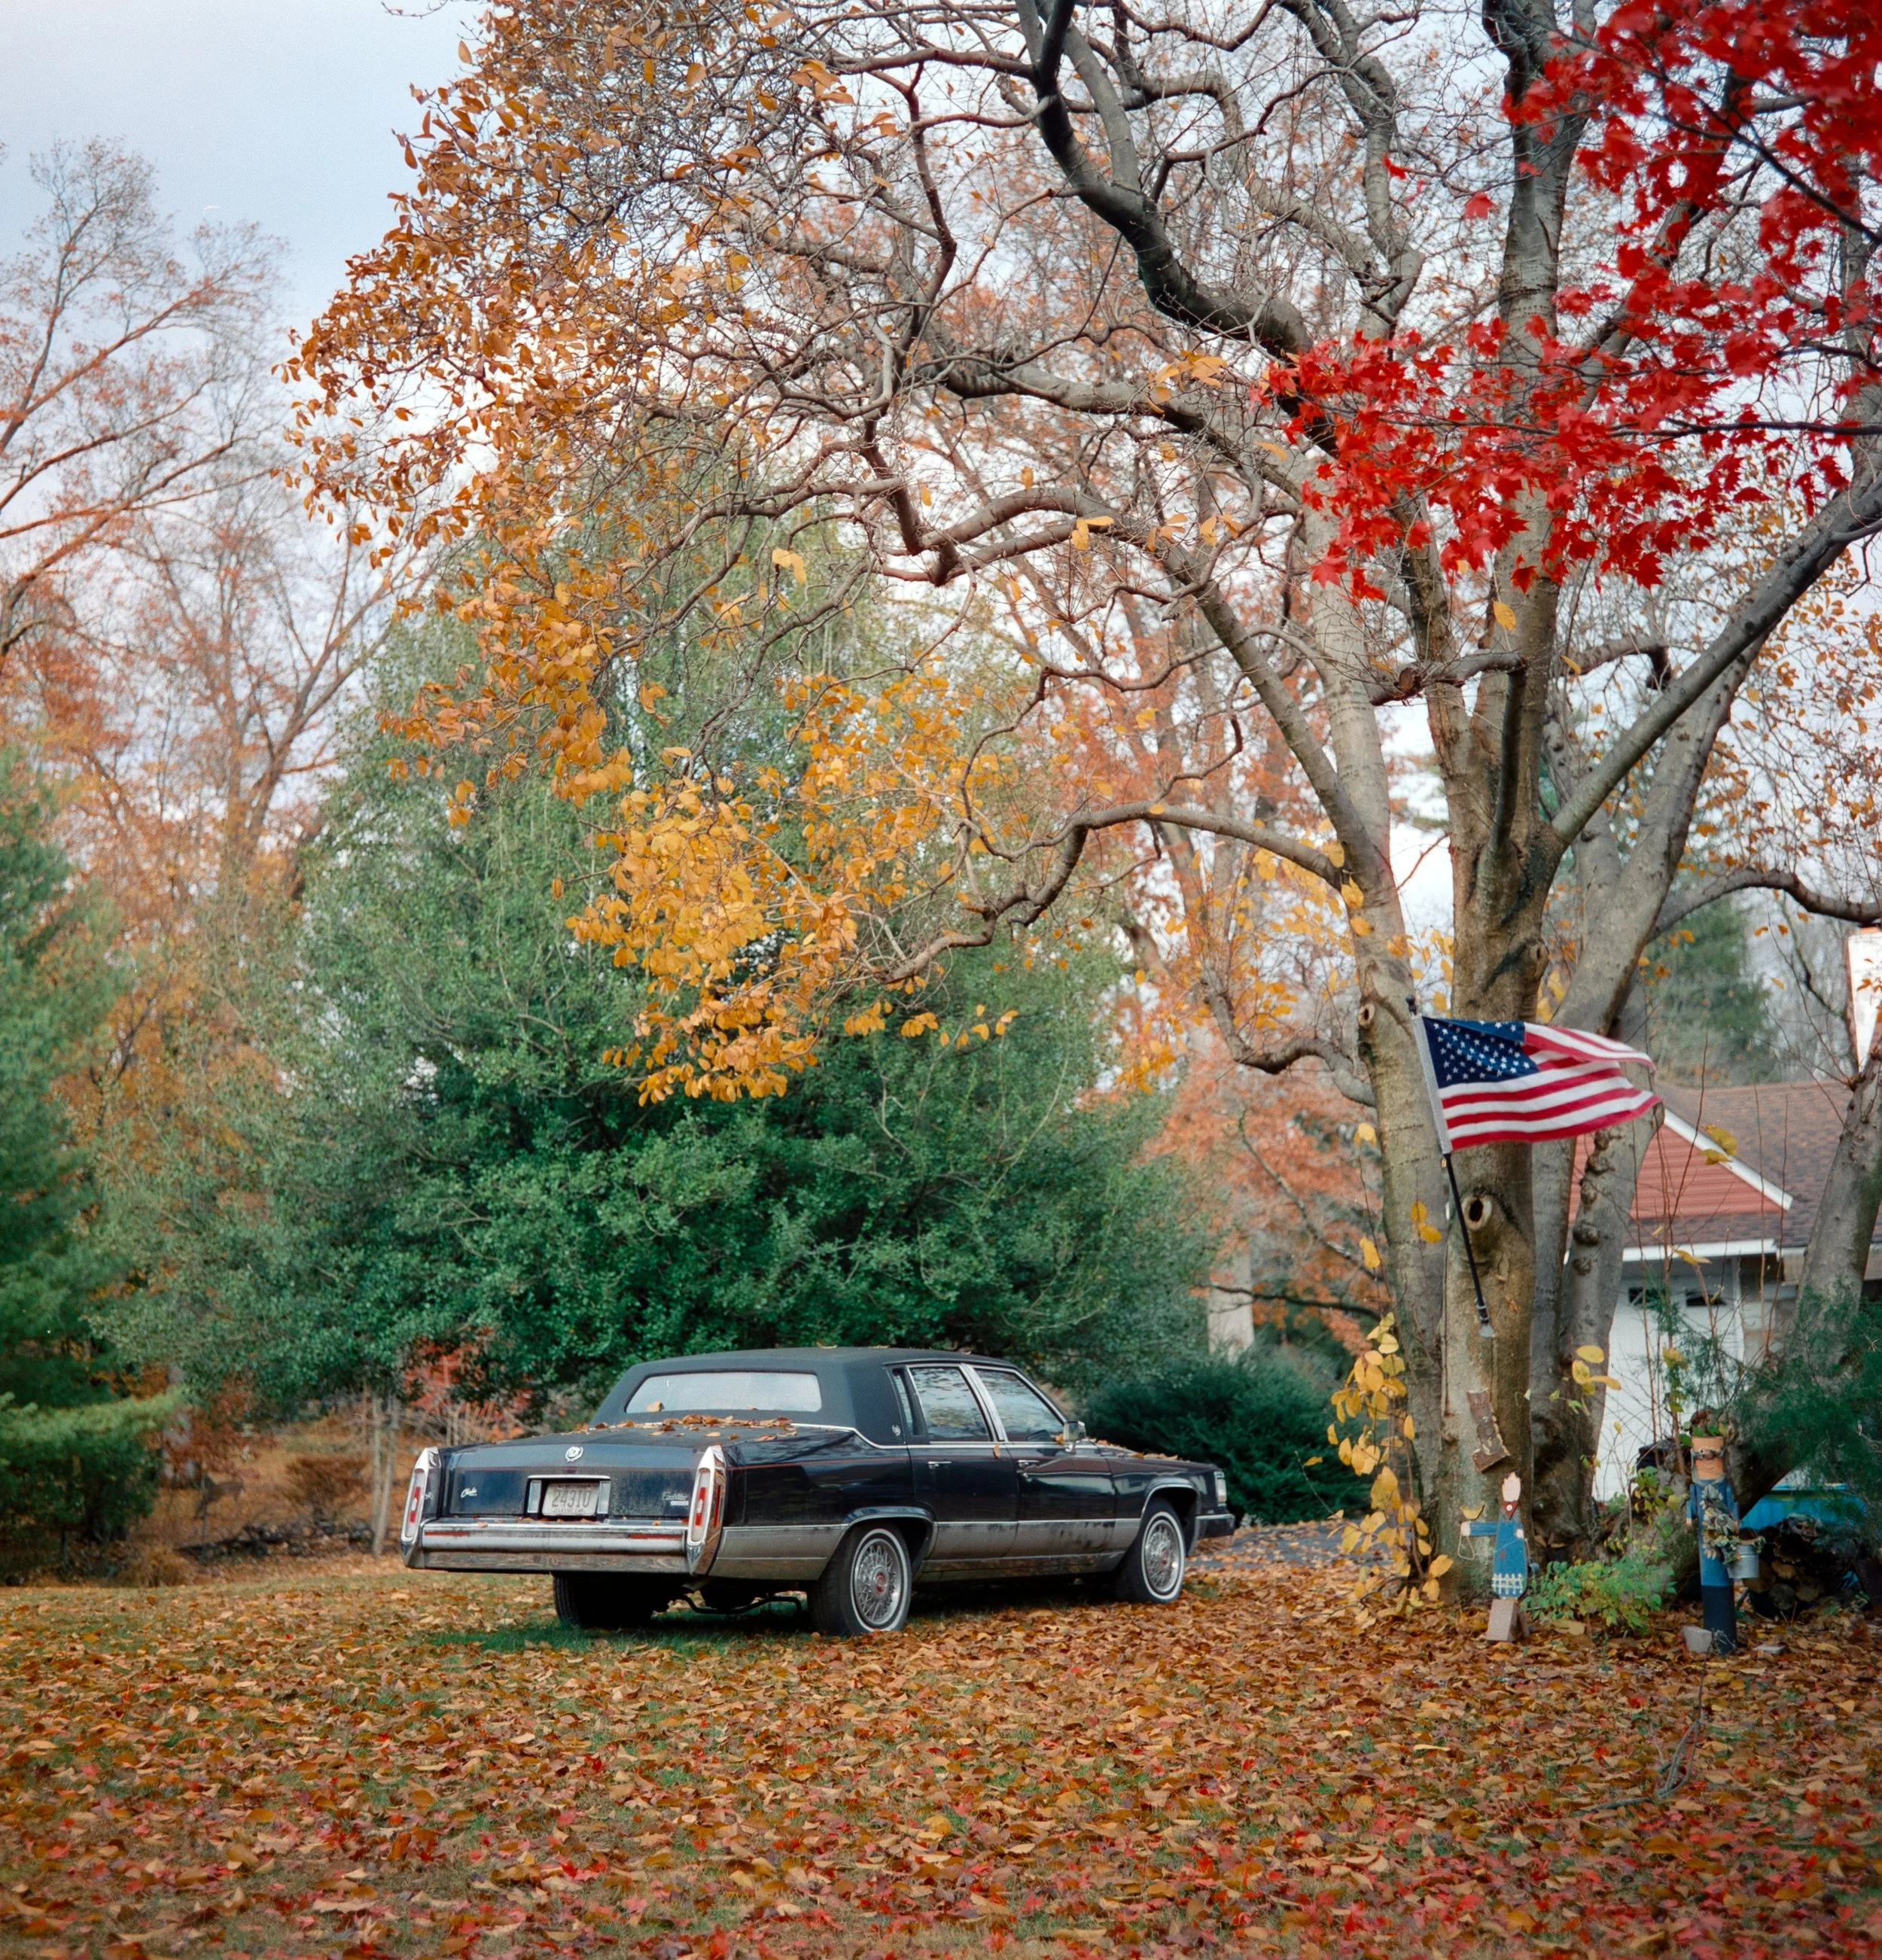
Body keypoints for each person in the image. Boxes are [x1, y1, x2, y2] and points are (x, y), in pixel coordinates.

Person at [1686, 1435, 1739, 1654]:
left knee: (1723, 1578)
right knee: (1710, 1580)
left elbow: (1732, 1503)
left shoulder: (1725, 1484)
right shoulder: (1696, 1486)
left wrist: (1735, 1521)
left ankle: (1727, 1644)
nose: (1708, 1461)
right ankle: (1715, 1643)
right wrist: (1690, 1518)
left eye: (1713, 1455)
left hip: (1724, 1541)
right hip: (1706, 1544)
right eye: (1702, 1455)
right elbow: (1691, 1505)